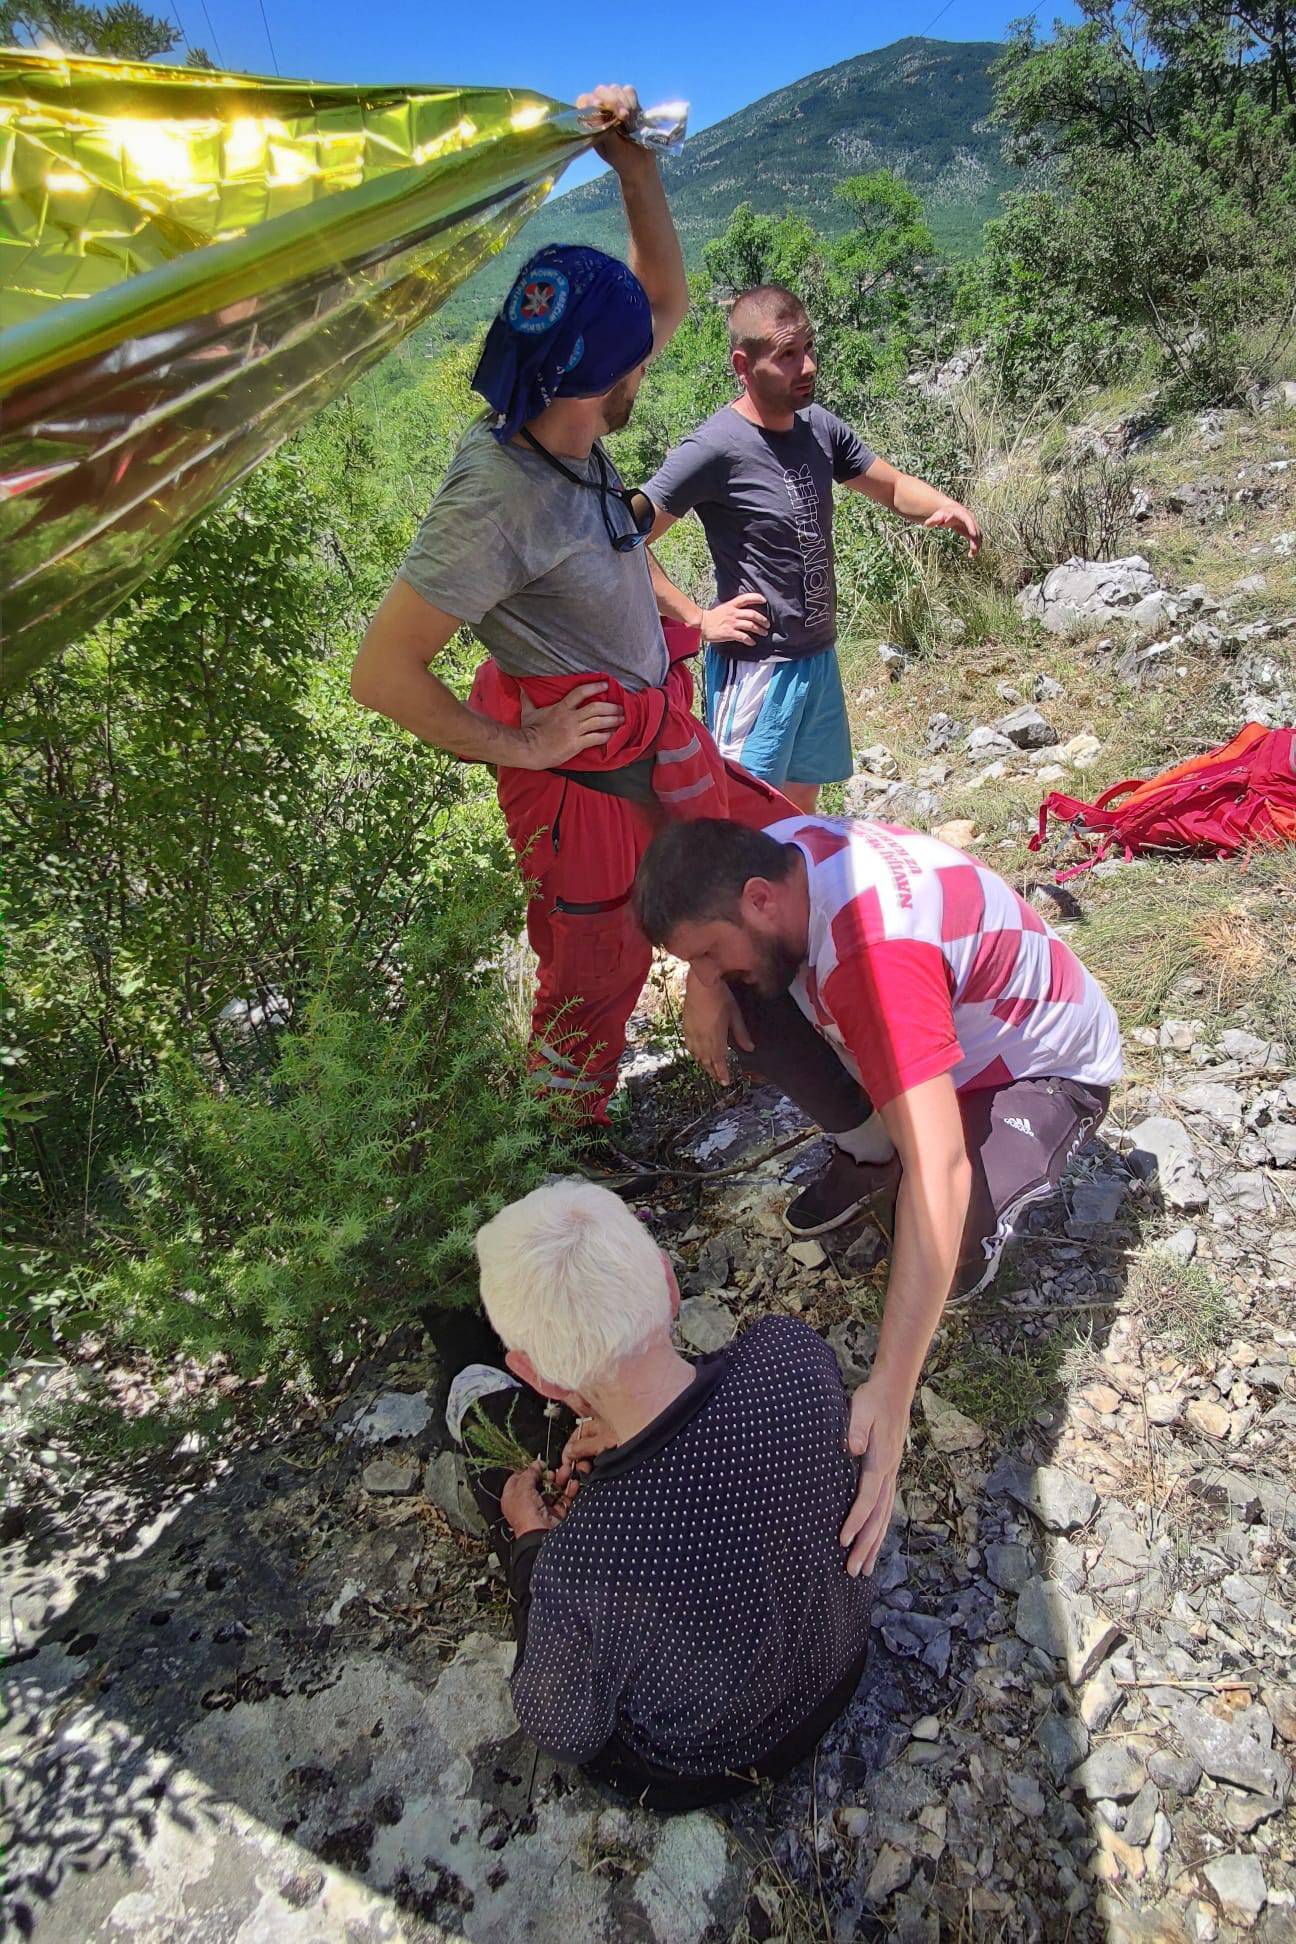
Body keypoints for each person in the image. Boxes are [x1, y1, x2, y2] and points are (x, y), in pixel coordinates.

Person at [351, 86, 792, 1126]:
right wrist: (524, 745)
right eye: (639, 352)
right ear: (605, 375)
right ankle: (562, 1153)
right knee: (594, 975)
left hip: (647, 737)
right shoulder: (496, 497)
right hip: (580, 777)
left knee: (757, 871)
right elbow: (381, 674)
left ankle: (742, 1035)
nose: (657, 348)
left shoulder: (564, 422)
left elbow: (662, 299)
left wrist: (633, 165)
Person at [633, 813, 1122, 1576]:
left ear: (759, 898)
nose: (701, 967)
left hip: (1036, 1066)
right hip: (938, 1038)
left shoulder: (874, 956)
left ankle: (929, 1154)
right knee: (751, 990)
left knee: (946, 1230)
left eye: (701, 951)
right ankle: (870, 1150)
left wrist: (890, 1395)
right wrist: (705, 981)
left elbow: (943, 1173)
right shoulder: (783, 848)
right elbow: (729, 918)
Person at [452, 1180, 875, 1809]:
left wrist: (530, 1548)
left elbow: (562, 1731)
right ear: (669, 1283)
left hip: (713, 1762)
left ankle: (466, 1382)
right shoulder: (791, 1354)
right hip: (840, 1667)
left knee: (473, 1409)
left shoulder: (578, 1567)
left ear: (539, 1376)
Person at [643, 284, 982, 812]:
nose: (807, 367)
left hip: (817, 657)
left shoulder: (819, 429)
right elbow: (623, 536)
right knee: (742, 819)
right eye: (786, 355)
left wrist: (945, 505)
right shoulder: (715, 448)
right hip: (756, 668)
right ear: (743, 363)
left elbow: (890, 487)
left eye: (807, 348)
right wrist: (695, 618)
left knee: (799, 815)